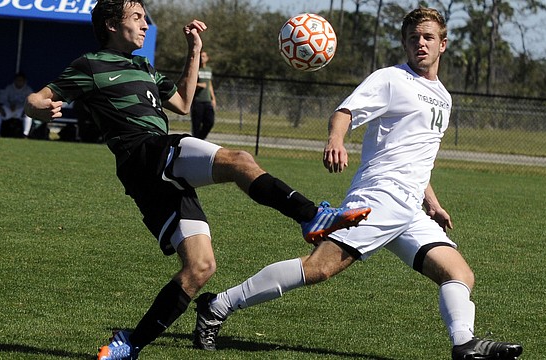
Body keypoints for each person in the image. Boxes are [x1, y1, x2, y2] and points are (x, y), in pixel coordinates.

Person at [23, 1, 370, 359]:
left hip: (151, 177)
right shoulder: (89, 65)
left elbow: (185, 103)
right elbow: (35, 99)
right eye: (138, 18)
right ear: (111, 25)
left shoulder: (143, 66)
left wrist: (194, 51)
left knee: (200, 267)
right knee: (239, 160)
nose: (145, 24)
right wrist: (41, 108)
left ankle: (129, 344)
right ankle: (310, 215)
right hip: (144, 152)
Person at [192, 7, 524, 360]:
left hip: (410, 208)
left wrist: (433, 203)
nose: (420, 44)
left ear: (443, 44)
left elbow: (417, 154)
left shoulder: (444, 96)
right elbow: (344, 112)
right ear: (404, 43)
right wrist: (336, 139)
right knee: (318, 268)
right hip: (378, 198)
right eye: (413, 38)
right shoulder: (391, 79)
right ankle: (217, 306)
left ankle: (464, 344)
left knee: (459, 273)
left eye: (428, 37)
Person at [0, 72, 33, 137]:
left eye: (21, 80)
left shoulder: (28, 90)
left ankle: (25, 134)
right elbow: (4, 100)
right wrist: (10, 105)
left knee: (28, 113)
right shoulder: (9, 88)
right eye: (17, 80)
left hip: (20, 109)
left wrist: (19, 106)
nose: (19, 82)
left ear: (24, 81)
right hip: (9, 108)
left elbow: (30, 102)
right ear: (14, 80)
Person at [190, 51, 216, 139]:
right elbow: (190, 84)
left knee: (210, 121)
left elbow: (210, 84)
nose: (202, 58)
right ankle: (196, 142)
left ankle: (200, 139)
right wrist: (199, 85)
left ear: (207, 58)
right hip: (198, 101)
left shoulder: (209, 70)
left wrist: (213, 98)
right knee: (196, 125)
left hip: (207, 101)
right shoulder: (195, 69)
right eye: (201, 56)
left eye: (204, 56)